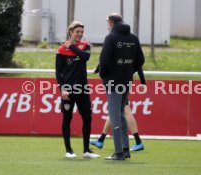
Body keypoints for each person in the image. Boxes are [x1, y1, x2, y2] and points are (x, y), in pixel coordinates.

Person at [98, 13, 145, 160]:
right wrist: (128, 70)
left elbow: (104, 61)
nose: (107, 25)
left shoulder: (110, 38)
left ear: (112, 22)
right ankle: (125, 149)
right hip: (127, 81)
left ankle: (118, 153)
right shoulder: (133, 38)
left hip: (113, 82)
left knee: (115, 115)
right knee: (121, 114)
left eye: (108, 22)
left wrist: (103, 75)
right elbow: (140, 60)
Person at [55, 21, 100, 159]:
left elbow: (86, 57)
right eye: (77, 31)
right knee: (67, 119)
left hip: (83, 89)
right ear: (71, 32)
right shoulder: (61, 50)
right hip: (68, 90)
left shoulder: (85, 46)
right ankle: (68, 150)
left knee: (87, 117)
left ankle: (86, 151)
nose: (80, 34)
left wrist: (72, 47)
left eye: (81, 31)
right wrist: (62, 89)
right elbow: (58, 72)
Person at [90, 66, 146, 152]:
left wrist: (98, 69)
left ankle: (138, 142)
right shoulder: (132, 52)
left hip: (117, 80)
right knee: (116, 110)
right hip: (126, 79)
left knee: (124, 110)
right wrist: (142, 81)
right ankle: (101, 139)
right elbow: (139, 62)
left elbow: (105, 59)